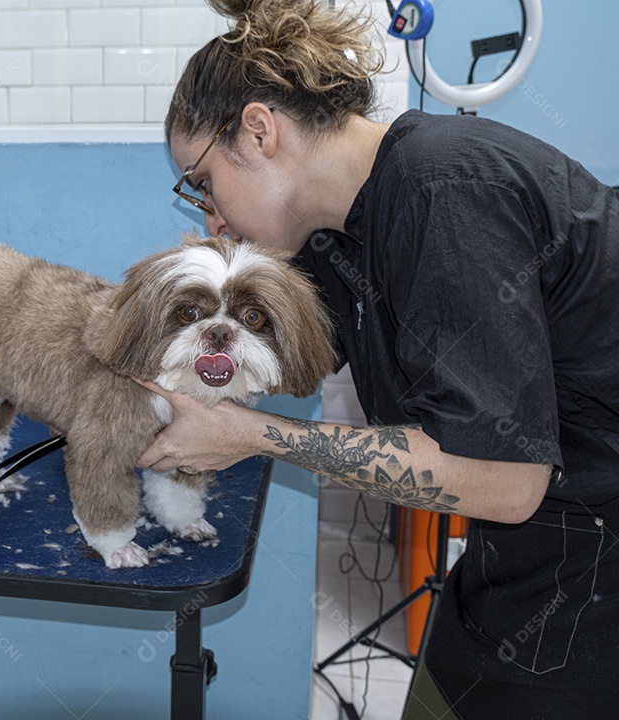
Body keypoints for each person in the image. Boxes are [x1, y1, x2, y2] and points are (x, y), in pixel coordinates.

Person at [137, 0, 619, 717]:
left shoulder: (444, 193)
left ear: (260, 130)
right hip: (526, 555)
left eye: (201, 183)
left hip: (591, 568)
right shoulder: (337, 233)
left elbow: (505, 480)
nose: (208, 216)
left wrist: (250, 439)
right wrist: (202, 309)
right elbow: (289, 362)